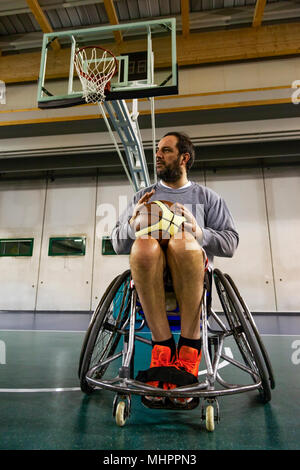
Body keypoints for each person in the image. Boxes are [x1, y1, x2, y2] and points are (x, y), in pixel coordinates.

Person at [111, 131, 239, 405]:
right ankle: (163, 347)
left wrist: (199, 232)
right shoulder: (142, 197)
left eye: (166, 150)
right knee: (143, 245)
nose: (157, 155)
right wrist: (132, 228)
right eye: (157, 150)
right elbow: (116, 243)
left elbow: (230, 243)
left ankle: (190, 349)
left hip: (193, 278)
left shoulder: (208, 198)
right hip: (151, 279)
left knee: (183, 241)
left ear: (184, 158)